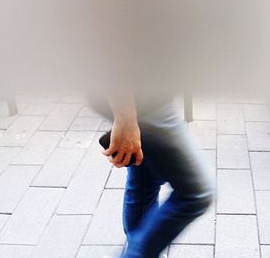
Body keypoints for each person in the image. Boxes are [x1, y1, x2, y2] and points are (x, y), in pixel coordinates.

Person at [91, 90, 215, 258]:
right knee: (196, 194)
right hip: (145, 102)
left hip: (144, 99)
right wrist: (126, 120)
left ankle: (140, 249)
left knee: (145, 179)